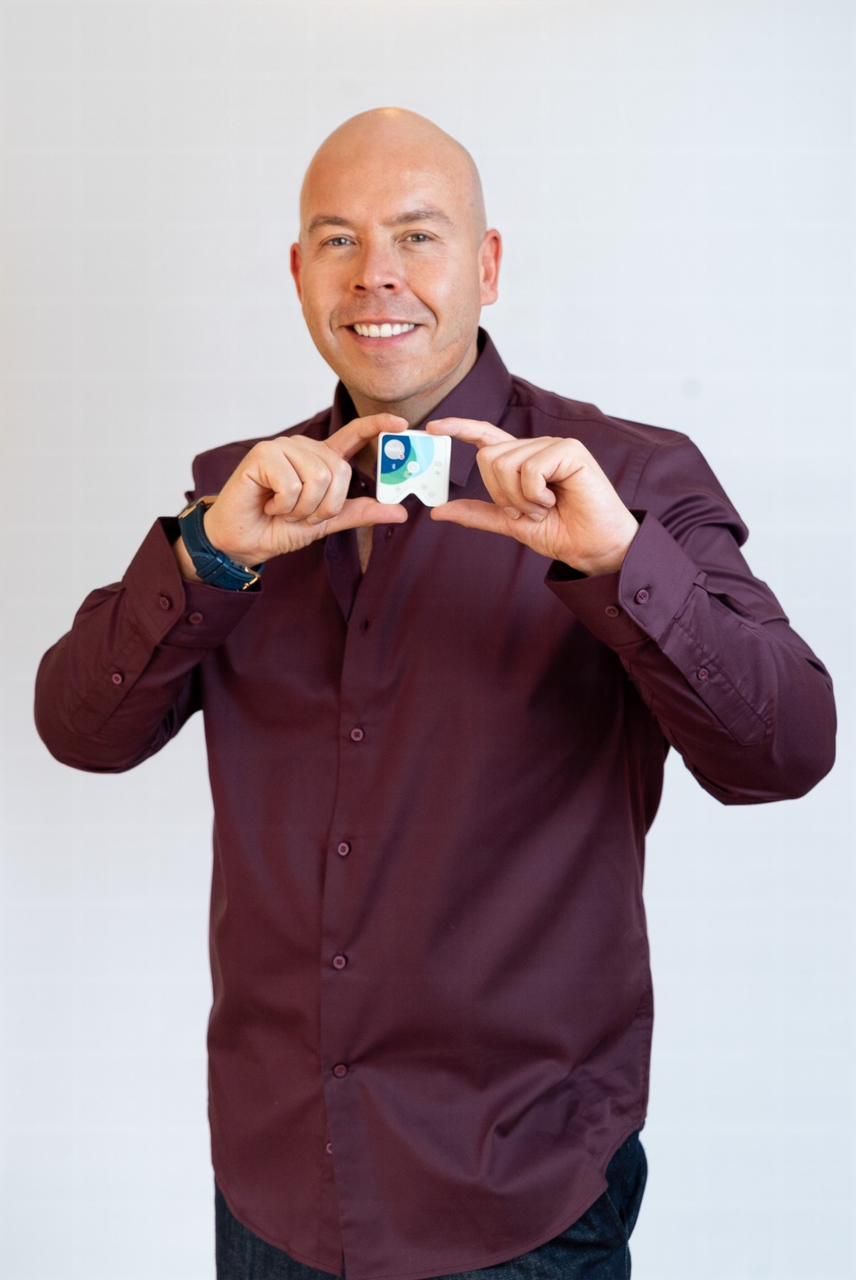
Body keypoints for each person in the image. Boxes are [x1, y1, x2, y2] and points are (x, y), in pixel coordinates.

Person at [34, 107, 836, 1280]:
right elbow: (78, 727)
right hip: (275, 1183)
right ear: (298, 272)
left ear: (487, 265)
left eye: (417, 235)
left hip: (521, 1193)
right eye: (339, 239)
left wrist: (618, 562)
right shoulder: (239, 496)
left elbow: (786, 748)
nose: (377, 274)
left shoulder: (633, 479)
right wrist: (208, 555)